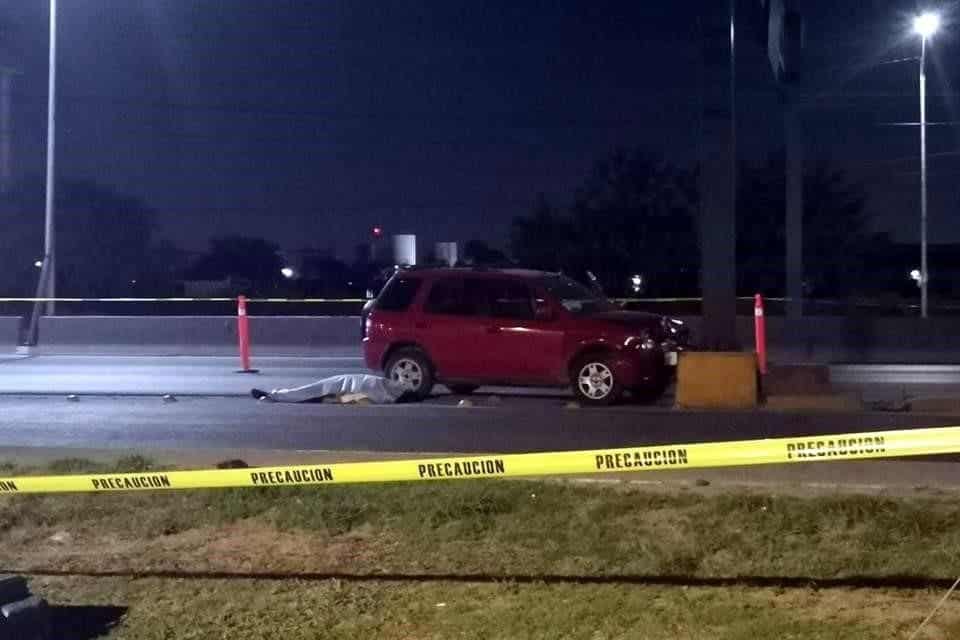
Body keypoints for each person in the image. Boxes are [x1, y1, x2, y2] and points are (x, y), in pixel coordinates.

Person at [251, 373, 420, 404]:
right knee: (311, 394)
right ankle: (273, 395)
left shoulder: (390, 391)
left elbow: (361, 399)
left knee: (309, 393)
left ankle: (273, 395)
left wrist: (341, 399)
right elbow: (362, 399)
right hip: (348, 384)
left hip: (347, 383)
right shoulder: (389, 393)